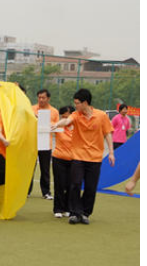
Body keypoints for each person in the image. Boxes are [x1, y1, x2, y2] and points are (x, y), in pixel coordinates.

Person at [52, 89, 115, 225]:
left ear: (85, 103)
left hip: (95, 158)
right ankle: (75, 213)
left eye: (77, 103)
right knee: (75, 184)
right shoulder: (76, 115)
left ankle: (85, 213)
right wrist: (57, 124)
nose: (76, 106)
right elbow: (67, 120)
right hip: (78, 156)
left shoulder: (101, 116)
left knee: (91, 188)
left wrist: (111, 152)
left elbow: (108, 133)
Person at [29, 89, 59, 200]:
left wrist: (42, 120)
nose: (41, 100)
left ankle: (46, 192)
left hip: (46, 143)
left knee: (45, 169)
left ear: (48, 98)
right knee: (30, 168)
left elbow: (55, 126)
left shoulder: (54, 111)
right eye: (39, 97)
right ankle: (27, 191)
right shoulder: (32, 109)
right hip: (32, 142)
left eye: (43, 98)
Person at [52, 106, 75, 218]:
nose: (65, 118)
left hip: (73, 160)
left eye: (68, 116)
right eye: (63, 116)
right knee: (59, 185)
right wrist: (59, 123)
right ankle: (58, 208)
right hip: (58, 158)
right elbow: (48, 127)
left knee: (70, 185)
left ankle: (67, 208)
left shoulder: (76, 127)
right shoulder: (58, 127)